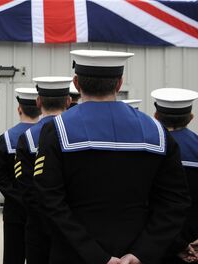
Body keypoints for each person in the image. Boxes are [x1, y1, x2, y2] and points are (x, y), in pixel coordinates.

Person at [34, 50, 191, 264]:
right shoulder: (157, 132)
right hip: (137, 255)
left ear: (76, 83)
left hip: (75, 254)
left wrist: (95, 254)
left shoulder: (57, 129)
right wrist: (143, 252)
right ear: (119, 84)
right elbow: (175, 202)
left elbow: (47, 200)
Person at [15, 77, 71, 264]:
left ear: (38, 102)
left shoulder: (27, 137)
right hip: (74, 230)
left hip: (38, 228)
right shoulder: (77, 132)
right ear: (68, 101)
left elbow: (25, 186)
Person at [0, 88, 40, 264]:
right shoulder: (49, 135)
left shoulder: (8, 138)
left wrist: (16, 195)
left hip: (15, 211)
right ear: (40, 107)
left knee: (13, 257)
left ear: (19, 109)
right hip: (42, 210)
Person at [151, 88, 198, 264]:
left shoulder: (149, 149)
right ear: (191, 117)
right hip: (192, 243)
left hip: (153, 244)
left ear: (156, 115)